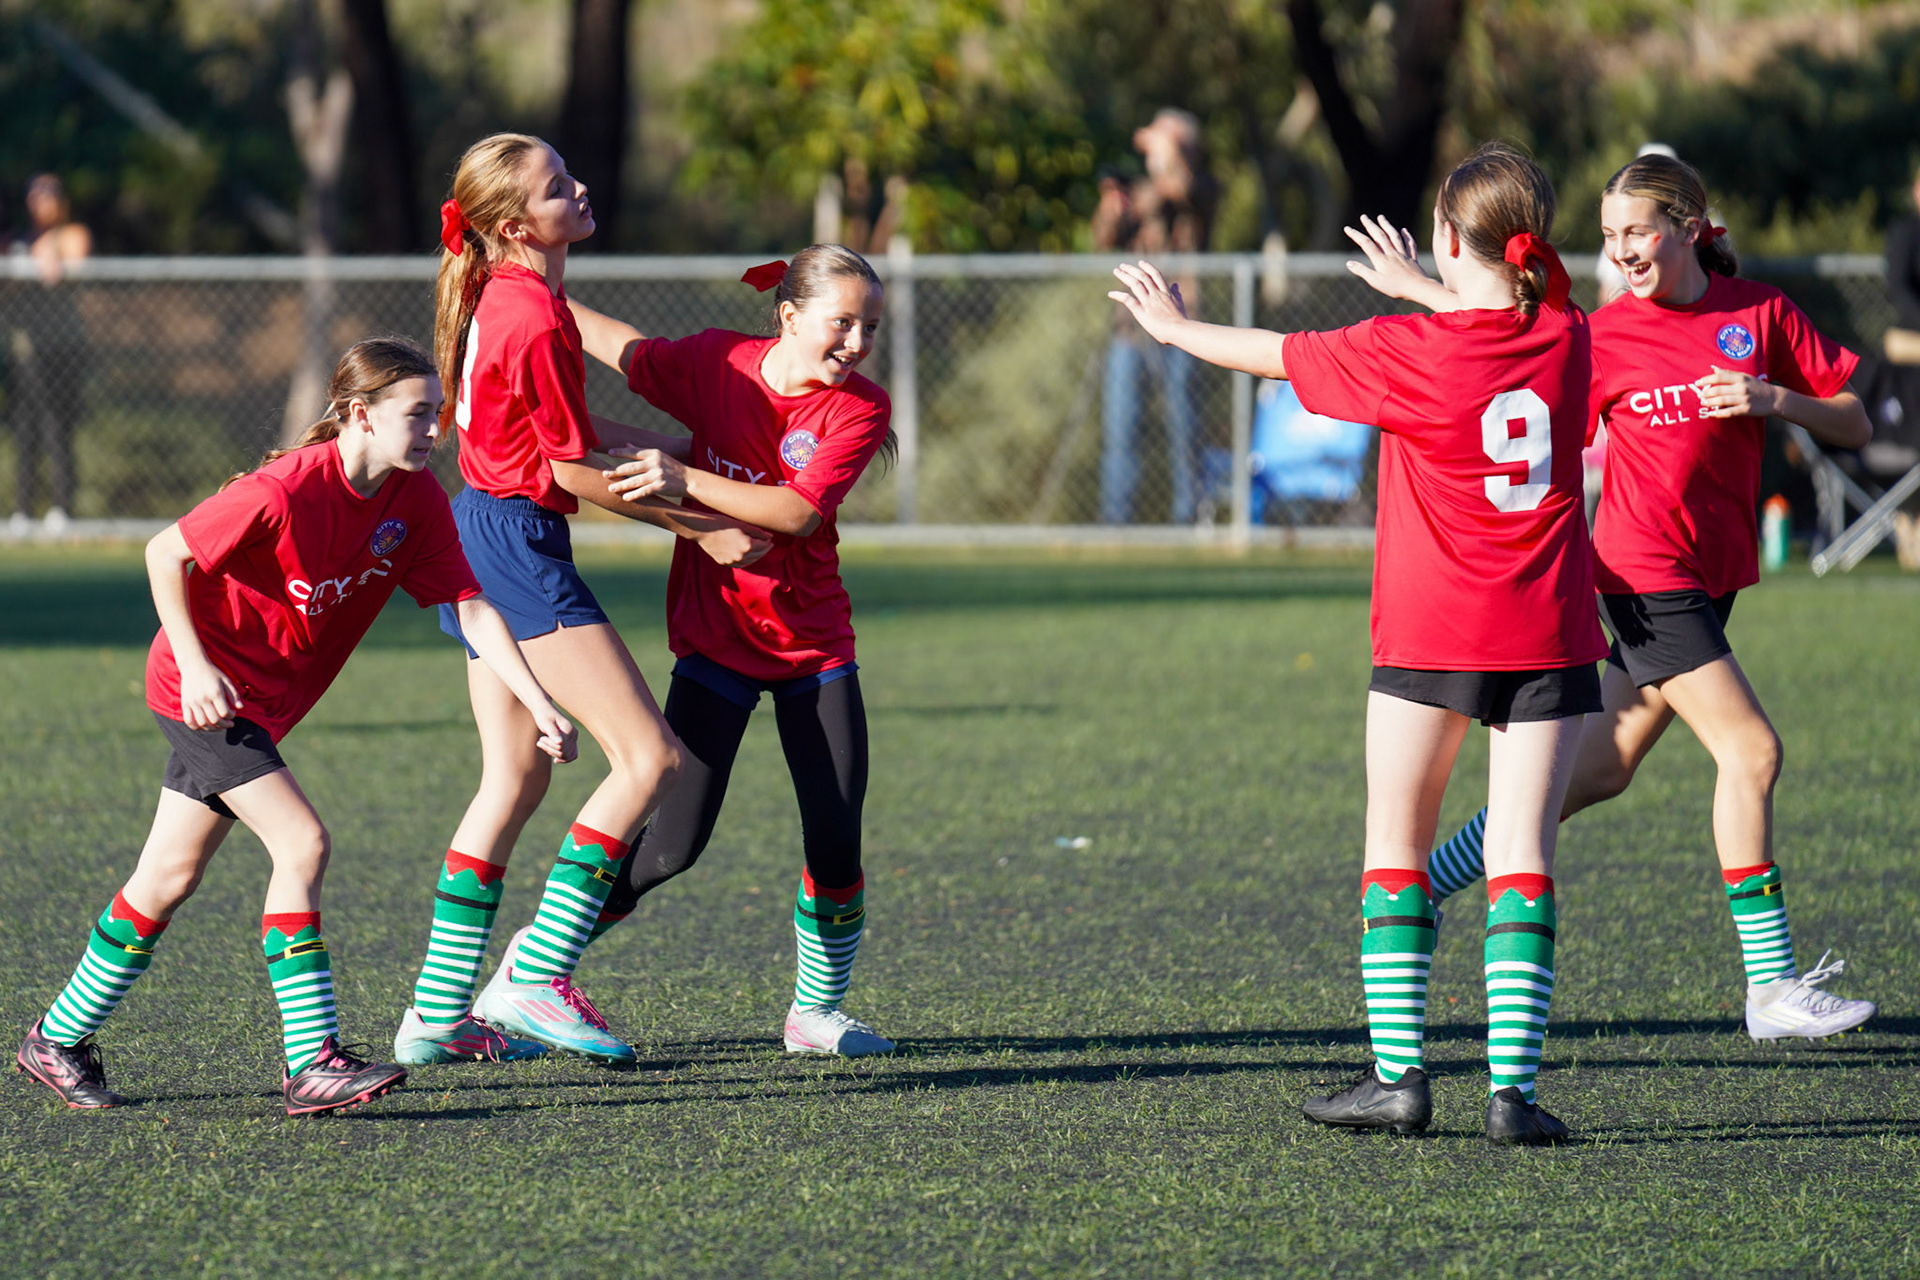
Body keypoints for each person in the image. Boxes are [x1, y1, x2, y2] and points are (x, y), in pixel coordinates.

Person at [1113, 143, 1603, 1144]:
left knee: (1396, 844)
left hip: (1435, 626)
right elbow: (1502, 316)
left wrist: (1172, 326)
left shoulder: (1404, 350)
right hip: (1550, 628)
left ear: (1447, 240)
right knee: (1522, 856)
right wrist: (1426, 286)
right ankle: (1512, 1095)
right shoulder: (1568, 337)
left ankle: (1399, 1079)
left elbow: (1274, 353)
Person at [15, 337, 578, 1114]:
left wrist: (539, 701)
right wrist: (197, 665)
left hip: (263, 703)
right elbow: (163, 553)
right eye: (417, 414)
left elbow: (471, 607)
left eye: (437, 413)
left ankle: (54, 1039)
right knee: (302, 842)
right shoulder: (286, 489)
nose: (434, 430)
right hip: (203, 693)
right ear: (360, 414)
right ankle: (312, 1061)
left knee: (168, 876)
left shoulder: (415, 500)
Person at [1422, 154, 1877, 1041]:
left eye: (1636, 231)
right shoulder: (1601, 336)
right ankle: (1770, 987)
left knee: (1599, 769)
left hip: (1711, 577)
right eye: (1608, 236)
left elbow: (1854, 418)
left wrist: (1772, 399)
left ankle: (1427, 885)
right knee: (1752, 752)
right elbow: (1515, 386)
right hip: (1640, 574)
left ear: (1689, 226)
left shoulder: (1759, 314)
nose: (1620, 250)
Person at [392, 133, 769, 1069]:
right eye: (558, 186)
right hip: (514, 548)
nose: (581, 188)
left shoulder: (511, 295)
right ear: (517, 224)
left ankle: (434, 1017)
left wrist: (676, 450)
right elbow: (567, 468)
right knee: (650, 759)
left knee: (513, 781)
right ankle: (535, 974)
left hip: (481, 533)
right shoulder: (531, 312)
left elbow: (562, 427)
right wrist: (701, 527)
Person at [556, 244, 899, 1057]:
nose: (856, 343)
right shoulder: (718, 362)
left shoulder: (861, 408)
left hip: (814, 648)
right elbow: (623, 348)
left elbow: (795, 514)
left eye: (870, 328)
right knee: (670, 848)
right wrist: (530, 296)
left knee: (835, 838)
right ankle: (537, 969)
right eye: (842, 323)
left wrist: (681, 475)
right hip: (716, 644)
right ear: (788, 317)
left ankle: (814, 1015)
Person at [1093, 109, 1216, 525]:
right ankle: (1116, 522)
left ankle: (1189, 517)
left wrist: (1168, 151)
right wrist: (1112, 206)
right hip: (1130, 329)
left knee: (1185, 429)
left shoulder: (1201, 188)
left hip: (1183, 326)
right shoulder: (1140, 193)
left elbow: (1178, 189)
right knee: (1120, 428)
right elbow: (1104, 239)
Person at [11, 174, 92, 532]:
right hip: (27, 348)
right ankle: (23, 510)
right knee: (24, 425)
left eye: (49, 194)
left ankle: (61, 508)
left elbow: (72, 268)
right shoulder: (20, 241)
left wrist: (50, 260)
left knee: (56, 424)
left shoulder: (71, 234)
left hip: (63, 347)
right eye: (36, 195)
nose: (42, 201)